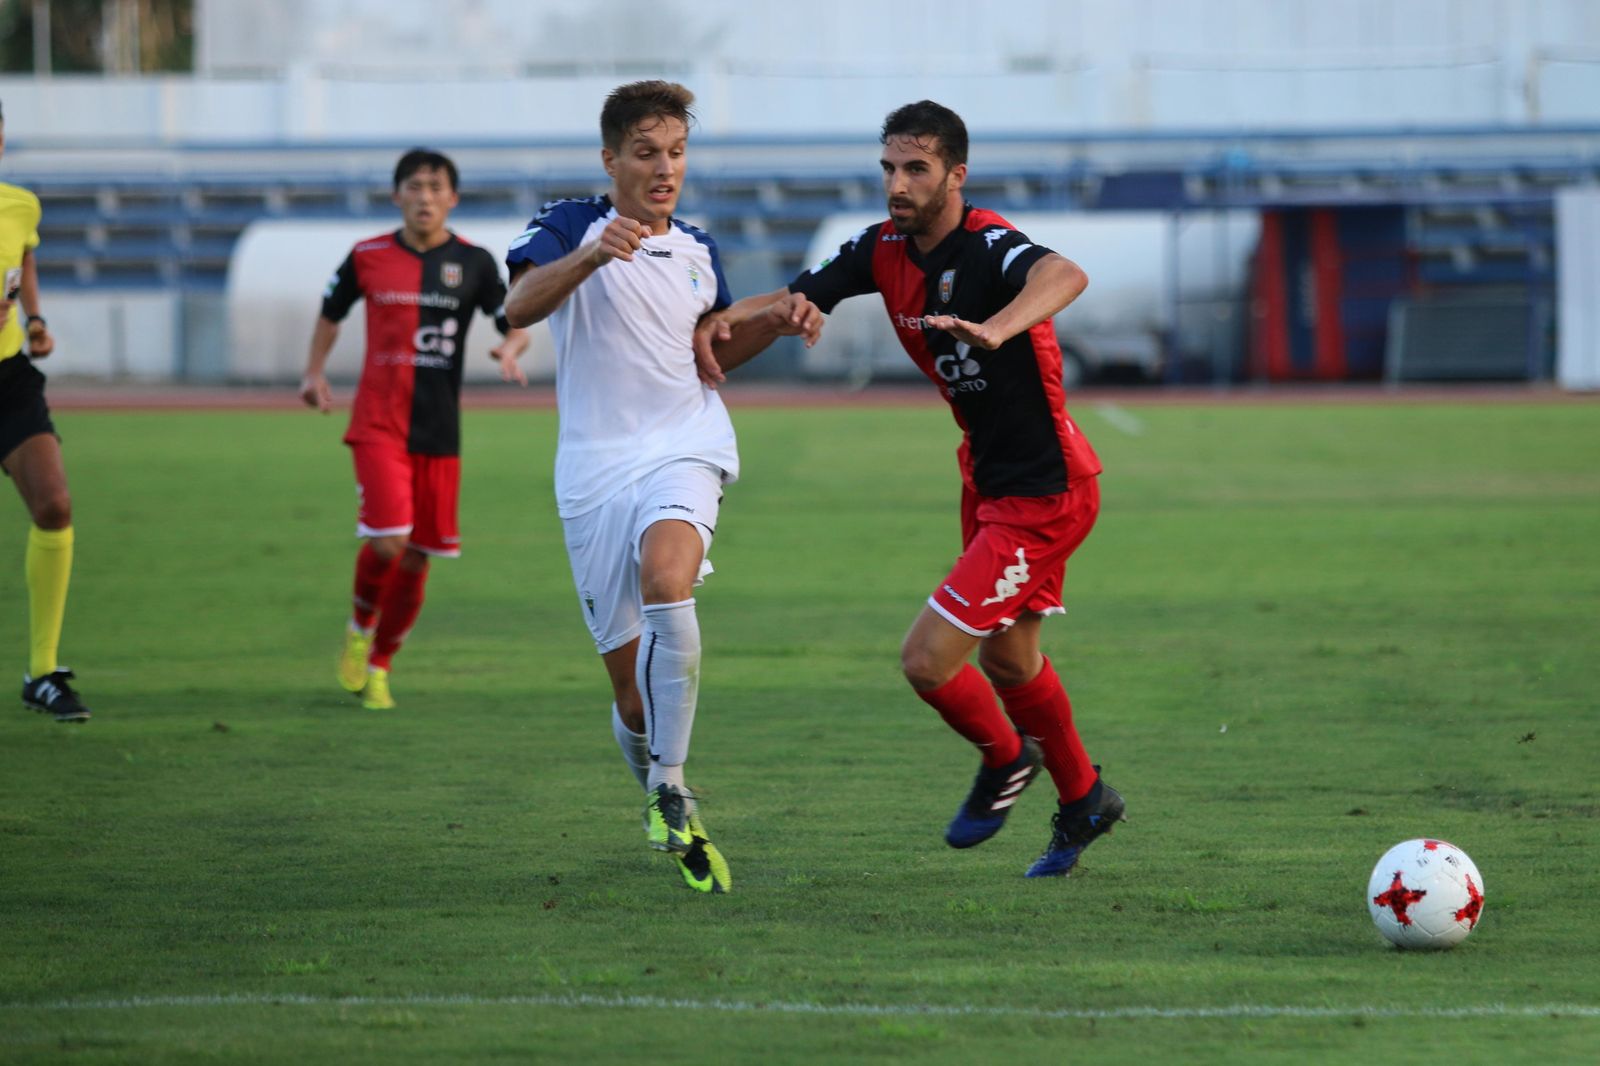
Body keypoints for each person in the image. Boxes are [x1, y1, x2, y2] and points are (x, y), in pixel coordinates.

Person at [709, 100, 1124, 878]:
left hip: (1045, 491)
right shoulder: (882, 248)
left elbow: (1064, 273)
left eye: (916, 169)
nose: (897, 184)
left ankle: (1007, 759)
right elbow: (789, 303)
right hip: (989, 483)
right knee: (1010, 660)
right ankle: (1085, 800)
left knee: (928, 661)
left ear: (956, 176)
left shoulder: (990, 243)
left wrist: (1000, 327)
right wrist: (725, 333)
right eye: (889, 168)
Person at [503, 80, 820, 894]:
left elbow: (711, 356)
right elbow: (517, 306)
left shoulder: (700, 248)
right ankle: (660, 786)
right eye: (646, 153)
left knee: (667, 578)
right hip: (593, 471)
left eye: (676, 152)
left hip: (685, 444)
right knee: (634, 698)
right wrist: (588, 255)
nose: (664, 168)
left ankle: (672, 787)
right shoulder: (571, 223)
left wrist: (771, 321)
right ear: (611, 159)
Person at [301, 148, 530, 711]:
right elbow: (332, 312)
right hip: (379, 421)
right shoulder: (368, 255)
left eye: (435, 187)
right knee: (390, 541)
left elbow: (515, 318)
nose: (424, 196)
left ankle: (379, 664)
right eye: (414, 186)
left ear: (452, 197)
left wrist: (511, 344)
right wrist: (313, 372)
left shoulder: (474, 263)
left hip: (438, 429)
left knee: (419, 553)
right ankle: (359, 626)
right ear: (396, 195)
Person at [0, 100, 89, 724]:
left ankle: (43, 670)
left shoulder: (19, 203)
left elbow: (24, 252)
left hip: (9, 381)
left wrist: (34, 319)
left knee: (54, 505)